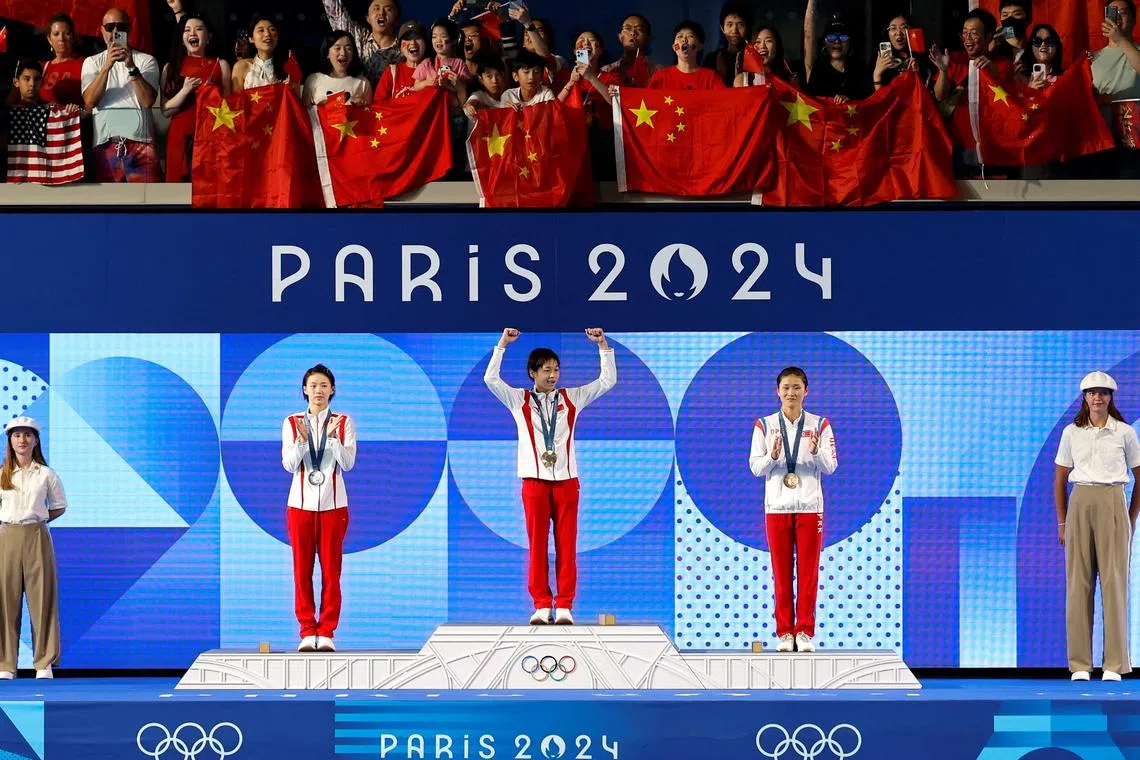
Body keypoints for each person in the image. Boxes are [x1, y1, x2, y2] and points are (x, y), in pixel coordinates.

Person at [484, 328, 616, 625]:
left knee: (567, 545)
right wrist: (502, 345)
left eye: (556, 369)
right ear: (533, 372)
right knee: (538, 545)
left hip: (567, 481)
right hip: (533, 481)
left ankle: (565, 605)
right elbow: (490, 379)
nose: (553, 375)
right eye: (547, 370)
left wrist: (603, 346)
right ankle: (542, 604)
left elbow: (608, 381)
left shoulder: (571, 398)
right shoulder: (518, 400)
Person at [1054, 371, 1140, 682]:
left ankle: (1114, 664)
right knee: (1078, 583)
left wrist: (1130, 517)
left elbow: (1138, 477)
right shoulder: (1071, 433)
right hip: (1081, 501)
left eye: (1103, 392)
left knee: (1115, 584)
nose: (1098, 398)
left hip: (1113, 499)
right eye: (1092, 393)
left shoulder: (1124, 433)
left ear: (1111, 397)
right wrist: (1063, 520)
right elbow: (1060, 479)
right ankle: (1080, 664)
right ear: (1085, 398)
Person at [749, 367, 838, 654]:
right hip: (776, 507)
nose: (791, 393)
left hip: (811, 508)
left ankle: (805, 632)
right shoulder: (764, 425)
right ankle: (785, 632)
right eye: (786, 387)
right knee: (782, 572)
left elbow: (831, 467)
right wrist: (773, 456)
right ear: (777, 391)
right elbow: (755, 468)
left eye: (796, 387)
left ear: (806, 391)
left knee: (809, 573)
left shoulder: (820, 424)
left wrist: (815, 451)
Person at [282, 365, 357, 653]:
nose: (318, 391)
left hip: (334, 505)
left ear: (332, 390)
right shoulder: (290, 422)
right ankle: (306, 630)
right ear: (304, 390)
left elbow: (348, 463)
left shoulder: (344, 421)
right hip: (298, 506)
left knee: (331, 571)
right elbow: (288, 465)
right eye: (313, 385)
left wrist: (334, 439)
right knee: (301, 570)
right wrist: (302, 441)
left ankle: (326, 631)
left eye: (324, 385)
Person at [0, 417, 67, 681]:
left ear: (36, 440)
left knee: (42, 599)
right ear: (10, 441)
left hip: (37, 534)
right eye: (17, 436)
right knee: (5, 600)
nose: (22, 440)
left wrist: (37, 518)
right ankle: (6, 663)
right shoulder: (2, 473)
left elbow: (59, 505)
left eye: (27, 435)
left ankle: (44, 662)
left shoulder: (46, 474)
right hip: (7, 537)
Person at [81, 7, 160, 183]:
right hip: (105, 143)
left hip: (141, 143)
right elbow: (89, 100)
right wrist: (107, 66)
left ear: (130, 30)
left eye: (121, 27)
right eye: (110, 27)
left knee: (148, 205)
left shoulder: (146, 60)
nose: (115, 32)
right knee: (109, 204)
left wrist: (131, 66)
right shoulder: (92, 62)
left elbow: (147, 101)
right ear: (102, 30)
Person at [161, 14, 229, 183]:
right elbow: (165, 110)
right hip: (180, 135)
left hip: (212, 137)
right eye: (187, 30)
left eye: (199, 29)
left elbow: (229, 106)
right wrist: (185, 91)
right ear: (182, 38)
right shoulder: (170, 68)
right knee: (177, 190)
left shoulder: (221, 65)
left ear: (209, 36)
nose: (192, 33)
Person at [1092, 1, 1140, 173]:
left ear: (1134, 20)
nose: (1117, 17)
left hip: (1134, 142)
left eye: (1123, 12)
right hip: (1102, 141)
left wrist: (1121, 40)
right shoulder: (1092, 59)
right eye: (1112, 13)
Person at [930, 9, 1012, 102]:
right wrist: (943, 71)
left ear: (988, 37)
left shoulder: (1004, 64)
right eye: (964, 33)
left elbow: (1006, 102)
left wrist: (992, 73)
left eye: (974, 33)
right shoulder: (953, 60)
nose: (967, 38)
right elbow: (940, 96)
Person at [322, 0, 403, 83]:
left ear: (397, 19)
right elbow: (333, 8)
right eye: (376, 9)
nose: (381, 13)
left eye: (388, 9)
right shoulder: (357, 36)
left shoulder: (404, 49)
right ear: (368, 18)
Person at [804, 8, 867, 102]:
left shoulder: (860, 70)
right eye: (831, 37)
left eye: (843, 37)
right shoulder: (817, 68)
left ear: (850, 43)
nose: (837, 41)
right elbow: (809, 36)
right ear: (824, 43)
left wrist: (850, 101)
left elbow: (868, 102)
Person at [231, 15, 300, 95]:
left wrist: (291, 91)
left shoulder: (291, 66)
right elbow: (236, 103)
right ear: (251, 39)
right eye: (261, 30)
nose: (267, 34)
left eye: (272, 29)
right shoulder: (241, 66)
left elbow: (296, 102)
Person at [648, 20, 725, 91]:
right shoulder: (661, 76)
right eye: (679, 36)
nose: (684, 40)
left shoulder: (711, 77)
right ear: (674, 47)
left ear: (700, 46)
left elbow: (724, 100)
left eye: (690, 36)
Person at [303, 31, 372, 106]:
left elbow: (370, 113)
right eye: (337, 48)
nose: (343, 53)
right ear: (327, 53)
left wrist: (361, 108)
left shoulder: (363, 83)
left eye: (348, 48)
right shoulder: (313, 80)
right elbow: (305, 113)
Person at [872, 14, 931, 92]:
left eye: (904, 28)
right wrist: (877, 74)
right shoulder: (878, 59)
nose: (899, 32)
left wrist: (917, 76)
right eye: (893, 28)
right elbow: (876, 100)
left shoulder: (921, 57)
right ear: (887, 33)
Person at [600, 14, 659, 87]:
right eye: (627, 28)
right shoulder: (606, 71)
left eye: (640, 29)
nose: (633, 33)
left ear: (647, 39)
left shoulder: (659, 72)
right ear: (620, 37)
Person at [40, 13, 86, 108]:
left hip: (72, 119)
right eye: (56, 34)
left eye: (67, 33)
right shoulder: (42, 67)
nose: (61, 39)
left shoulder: (85, 64)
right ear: (49, 39)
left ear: (73, 37)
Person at [734, 25, 800, 88]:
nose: (762, 46)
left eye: (768, 41)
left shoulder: (790, 80)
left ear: (777, 47)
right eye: (757, 42)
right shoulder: (742, 80)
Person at [703, 1, 752, 87]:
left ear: (747, 28)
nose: (734, 31)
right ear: (722, 28)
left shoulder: (754, 59)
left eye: (740, 25)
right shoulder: (712, 59)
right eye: (729, 25)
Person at [375, 21, 426, 101]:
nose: (413, 43)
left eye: (417, 37)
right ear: (400, 48)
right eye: (407, 38)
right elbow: (379, 105)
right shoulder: (392, 72)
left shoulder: (433, 70)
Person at [1025, 24, 1063, 89]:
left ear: (1057, 46)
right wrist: (1030, 91)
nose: (1043, 44)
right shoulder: (1021, 78)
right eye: (1037, 41)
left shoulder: (1065, 77)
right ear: (1030, 47)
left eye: (1049, 41)